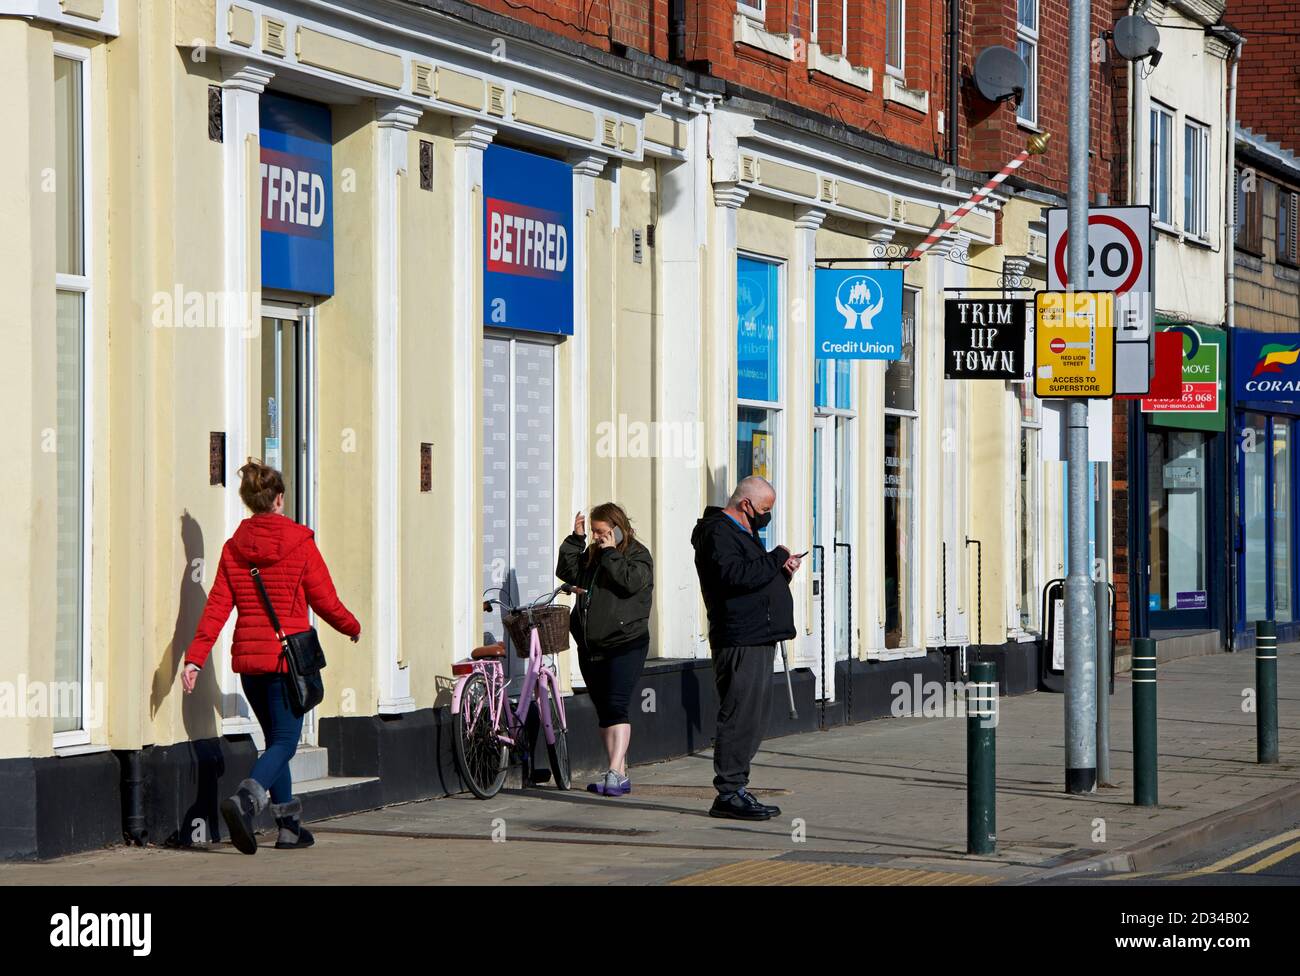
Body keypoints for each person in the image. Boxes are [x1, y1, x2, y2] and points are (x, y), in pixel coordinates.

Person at [180, 459, 361, 854]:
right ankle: (247, 800)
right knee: (286, 742)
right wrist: (352, 627)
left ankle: (290, 827)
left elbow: (216, 609)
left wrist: (194, 658)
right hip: (286, 663)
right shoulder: (300, 542)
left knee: (276, 741)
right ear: (279, 499)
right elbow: (325, 601)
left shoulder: (233, 549)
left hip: (250, 665)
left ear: (250, 502)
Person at [691, 476, 801, 821]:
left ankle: (736, 787)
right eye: (764, 510)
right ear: (745, 505)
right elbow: (733, 577)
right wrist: (775, 558)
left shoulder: (741, 533)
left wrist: (781, 573)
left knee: (752, 716)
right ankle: (729, 791)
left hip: (756, 634)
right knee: (740, 715)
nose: (766, 517)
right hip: (740, 639)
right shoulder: (717, 533)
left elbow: (752, 581)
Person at [556, 503, 654, 797]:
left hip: (626, 642)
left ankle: (613, 771)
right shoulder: (592, 554)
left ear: (618, 528)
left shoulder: (638, 555)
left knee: (616, 705)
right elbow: (568, 572)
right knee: (604, 711)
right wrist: (576, 540)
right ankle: (619, 775)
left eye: (602, 532)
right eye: (594, 531)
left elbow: (629, 583)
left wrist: (611, 552)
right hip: (591, 644)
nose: (597, 537)